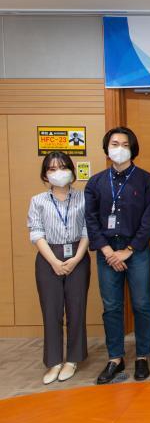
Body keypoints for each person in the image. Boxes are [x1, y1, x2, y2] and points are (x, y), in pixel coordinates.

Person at [85, 127, 150, 384]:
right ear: (107, 148)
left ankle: (142, 356)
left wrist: (128, 251)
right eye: (114, 143)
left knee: (142, 304)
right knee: (112, 306)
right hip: (107, 250)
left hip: (136, 250)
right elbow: (91, 219)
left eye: (125, 144)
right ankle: (115, 358)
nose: (119, 148)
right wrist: (108, 251)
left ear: (133, 148)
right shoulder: (95, 182)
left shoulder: (147, 180)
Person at [28, 152, 91, 384]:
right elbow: (36, 233)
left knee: (76, 309)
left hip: (78, 255)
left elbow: (87, 230)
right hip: (48, 257)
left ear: (72, 171)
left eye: (63, 167)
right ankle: (54, 362)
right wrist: (54, 262)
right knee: (51, 311)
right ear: (45, 174)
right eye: (52, 169)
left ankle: (73, 359)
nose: (58, 173)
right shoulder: (38, 201)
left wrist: (76, 258)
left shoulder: (84, 198)